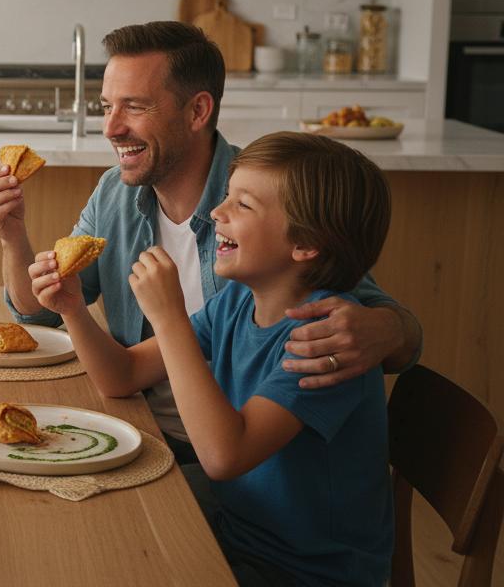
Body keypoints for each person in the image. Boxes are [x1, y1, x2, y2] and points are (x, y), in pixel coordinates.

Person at [0, 21, 420, 462]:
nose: (110, 128)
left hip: (224, 463)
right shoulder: (116, 192)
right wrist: (14, 239)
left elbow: (374, 317)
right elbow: (42, 316)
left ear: (197, 112)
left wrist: (388, 328)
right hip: (140, 426)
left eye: (134, 107)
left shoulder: (271, 198)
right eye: (105, 105)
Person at [32, 132, 393, 585]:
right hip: (235, 528)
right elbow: (121, 376)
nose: (218, 213)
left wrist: (170, 320)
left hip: (301, 570)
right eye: (226, 196)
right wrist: (73, 309)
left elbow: (224, 456)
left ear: (305, 244)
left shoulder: (324, 341)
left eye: (243, 205)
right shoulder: (239, 302)